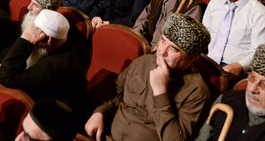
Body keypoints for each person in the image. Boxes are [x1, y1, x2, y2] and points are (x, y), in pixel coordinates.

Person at [84, 13, 211, 141]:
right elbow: (117, 96)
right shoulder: (143, 62)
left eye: (173, 49)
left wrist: (160, 92)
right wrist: (100, 112)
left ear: (191, 59)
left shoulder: (197, 92)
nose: (161, 52)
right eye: (163, 41)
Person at [0, 9, 87, 116]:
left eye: (36, 31)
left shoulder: (56, 64)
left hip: (54, 117)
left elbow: (7, 78)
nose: (31, 33)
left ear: (48, 39)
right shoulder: (63, 45)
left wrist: (26, 41)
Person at [203, 0, 265, 78]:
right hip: (207, 59)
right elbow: (204, 33)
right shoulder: (215, 3)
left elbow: (259, 53)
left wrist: (240, 66)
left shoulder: (259, 14)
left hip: (234, 69)